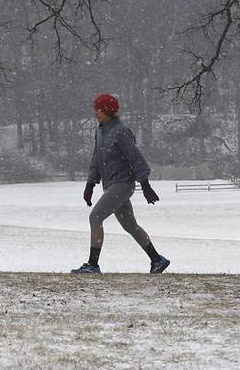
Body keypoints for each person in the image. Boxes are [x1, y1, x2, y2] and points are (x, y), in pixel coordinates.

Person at [71, 93, 170, 274]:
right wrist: (90, 184)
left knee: (95, 217)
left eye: (97, 108)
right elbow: (96, 160)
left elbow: (136, 158)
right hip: (112, 185)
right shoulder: (100, 132)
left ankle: (93, 264)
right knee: (130, 226)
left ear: (107, 110)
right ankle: (157, 259)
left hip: (122, 184)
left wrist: (145, 185)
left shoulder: (120, 132)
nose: (94, 112)